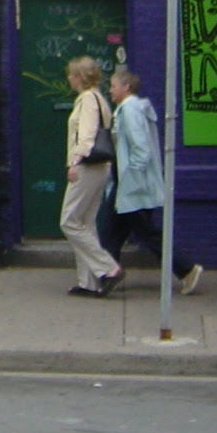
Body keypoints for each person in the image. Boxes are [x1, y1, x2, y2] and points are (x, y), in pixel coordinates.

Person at [100, 70, 203, 295]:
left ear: (126, 87)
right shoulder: (132, 109)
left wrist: (131, 175)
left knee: (145, 234)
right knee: (112, 231)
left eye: (113, 85)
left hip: (132, 184)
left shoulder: (130, 110)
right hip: (127, 183)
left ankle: (187, 269)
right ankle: (106, 274)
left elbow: (140, 148)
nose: (110, 89)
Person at [60, 56, 123, 297]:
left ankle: (109, 269)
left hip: (87, 166)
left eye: (71, 74)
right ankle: (89, 282)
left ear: (80, 77)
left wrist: (75, 162)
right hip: (101, 167)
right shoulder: (100, 98)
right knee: (86, 222)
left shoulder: (87, 99)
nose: (69, 78)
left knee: (69, 221)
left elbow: (85, 136)